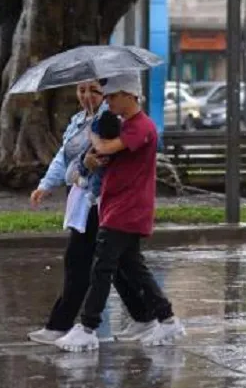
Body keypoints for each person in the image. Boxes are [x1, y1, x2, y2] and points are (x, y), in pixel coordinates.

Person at [55, 72, 184, 352]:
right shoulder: (125, 125)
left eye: (112, 97)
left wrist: (92, 131)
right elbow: (103, 156)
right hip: (115, 205)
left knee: (102, 267)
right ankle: (166, 317)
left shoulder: (141, 126)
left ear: (130, 95)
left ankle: (88, 326)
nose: (108, 102)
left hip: (127, 208)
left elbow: (105, 147)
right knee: (134, 269)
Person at [27, 81, 152, 345]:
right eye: (81, 90)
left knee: (82, 261)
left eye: (95, 90)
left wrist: (84, 167)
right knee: (117, 265)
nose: (87, 96)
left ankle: (66, 325)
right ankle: (147, 316)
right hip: (83, 200)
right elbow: (65, 156)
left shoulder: (110, 121)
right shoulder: (78, 120)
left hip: (102, 201)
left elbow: (106, 161)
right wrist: (46, 185)